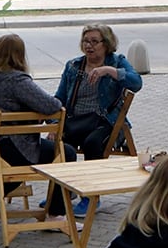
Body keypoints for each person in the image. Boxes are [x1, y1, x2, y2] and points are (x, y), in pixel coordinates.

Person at [0, 34, 76, 229]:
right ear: (20, 55)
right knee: (66, 153)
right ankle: (56, 214)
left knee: (16, 168)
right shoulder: (16, 80)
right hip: (9, 146)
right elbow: (52, 105)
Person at [55, 24, 143, 164]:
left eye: (94, 41)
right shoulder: (73, 66)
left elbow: (137, 83)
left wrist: (109, 70)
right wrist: (55, 126)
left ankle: (92, 184)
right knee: (61, 146)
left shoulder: (117, 61)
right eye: (85, 41)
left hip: (106, 122)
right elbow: (59, 99)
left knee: (92, 144)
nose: (88, 46)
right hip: (76, 122)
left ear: (106, 44)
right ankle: (62, 185)